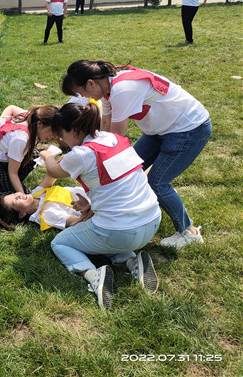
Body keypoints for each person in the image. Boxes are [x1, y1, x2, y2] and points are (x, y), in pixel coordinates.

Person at [61, 60, 211, 250]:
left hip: (189, 128)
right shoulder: (108, 89)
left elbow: (115, 137)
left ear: (91, 83)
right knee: (129, 167)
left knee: (157, 182)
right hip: (160, 130)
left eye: (82, 92)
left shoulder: (122, 90)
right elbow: (104, 128)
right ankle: (114, 211)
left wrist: (86, 156)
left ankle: (189, 232)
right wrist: (86, 150)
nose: (83, 97)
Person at [41, 103, 161, 310]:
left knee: (60, 243)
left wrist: (47, 156)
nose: (64, 143)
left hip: (120, 231)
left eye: (62, 137)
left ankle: (93, 275)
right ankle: (131, 260)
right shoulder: (113, 138)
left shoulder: (80, 154)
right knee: (106, 230)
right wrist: (90, 203)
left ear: (74, 131)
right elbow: (110, 184)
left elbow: (53, 170)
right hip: (151, 221)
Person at [0, 104, 57, 194]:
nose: (53, 136)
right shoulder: (22, 139)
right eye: (52, 131)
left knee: (34, 155)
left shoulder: (32, 116)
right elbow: (12, 173)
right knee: (21, 197)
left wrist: (1, 120)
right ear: (39, 124)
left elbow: (11, 108)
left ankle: (7, 183)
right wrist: (22, 194)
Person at [0, 174, 92, 232]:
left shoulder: (36, 194)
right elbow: (81, 222)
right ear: (21, 214)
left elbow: (52, 175)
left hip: (94, 191)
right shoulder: (47, 214)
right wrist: (88, 207)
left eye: (15, 194)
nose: (19, 195)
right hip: (97, 207)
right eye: (16, 200)